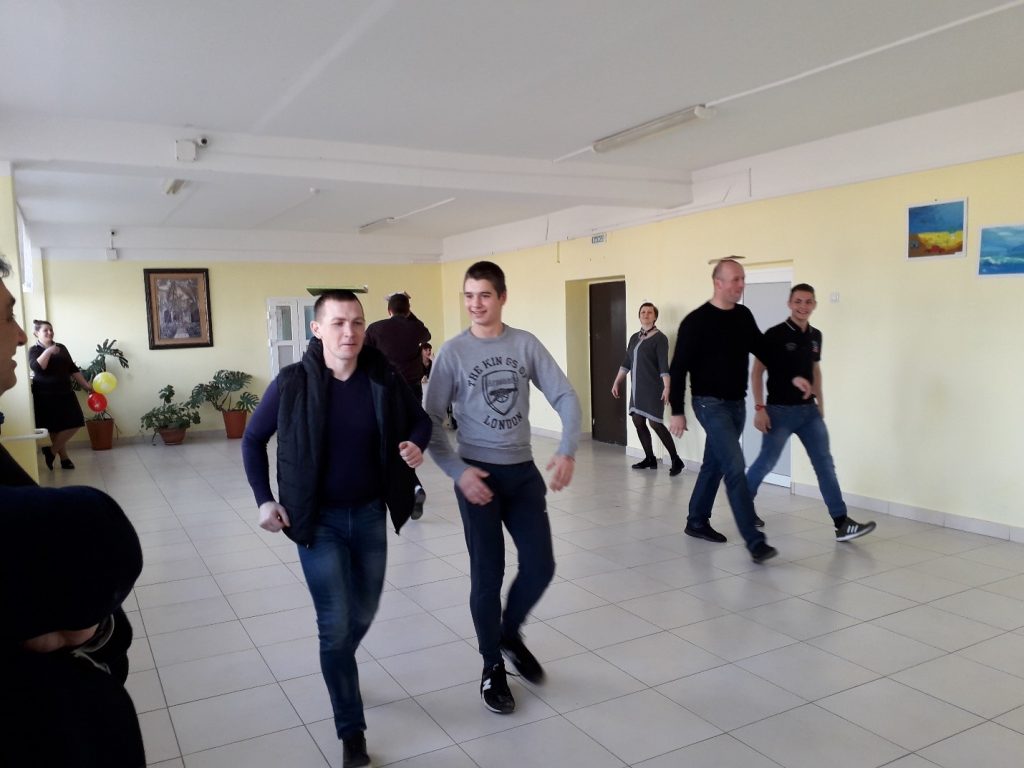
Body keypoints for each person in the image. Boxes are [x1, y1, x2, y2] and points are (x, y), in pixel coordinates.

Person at [242, 289, 430, 768]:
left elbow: (421, 421)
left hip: (369, 514)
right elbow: (252, 439)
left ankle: (340, 662)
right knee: (334, 624)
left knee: (362, 611)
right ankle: (352, 731)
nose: (350, 332)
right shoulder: (292, 383)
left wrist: (415, 444)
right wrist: (264, 499)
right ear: (317, 329)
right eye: (339, 323)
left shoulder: (382, 376)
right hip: (316, 520)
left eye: (357, 322)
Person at [1, 254, 146, 767]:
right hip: (46, 726)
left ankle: (58, 454)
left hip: (62, 396)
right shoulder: (40, 352)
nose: (23, 334)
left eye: (32, 325)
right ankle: (57, 455)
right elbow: (91, 530)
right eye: (8, 317)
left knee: (70, 429)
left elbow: (78, 372)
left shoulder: (59, 350)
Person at [424, 260, 581, 715]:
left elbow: (565, 395)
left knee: (541, 565)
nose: (475, 304)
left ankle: (508, 633)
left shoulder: (524, 344)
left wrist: (567, 449)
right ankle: (492, 663)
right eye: (469, 295)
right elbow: (429, 419)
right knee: (487, 574)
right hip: (477, 476)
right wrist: (458, 471)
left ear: (502, 297)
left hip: (522, 472)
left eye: (484, 295)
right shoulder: (453, 353)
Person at [746, 283, 876, 541]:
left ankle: (841, 523)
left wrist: (821, 403)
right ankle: (743, 508)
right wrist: (760, 408)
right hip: (779, 412)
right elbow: (757, 371)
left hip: (809, 413)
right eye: (798, 301)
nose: (803, 306)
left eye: (808, 302)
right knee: (766, 463)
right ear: (789, 304)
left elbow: (815, 370)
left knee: (825, 465)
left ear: (814, 305)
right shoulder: (774, 334)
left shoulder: (816, 336)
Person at [668, 258, 777, 563]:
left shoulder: (743, 316)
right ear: (718, 283)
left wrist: (792, 372)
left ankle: (696, 520)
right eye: (735, 279)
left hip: (736, 404)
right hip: (709, 403)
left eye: (742, 279)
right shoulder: (696, 322)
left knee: (714, 464)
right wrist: (677, 410)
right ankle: (755, 542)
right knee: (734, 464)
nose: (741, 284)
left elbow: (763, 349)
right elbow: (678, 369)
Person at [366, 291, 431, 519]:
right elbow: (426, 332)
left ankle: (412, 487)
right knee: (405, 438)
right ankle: (411, 487)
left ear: (389, 310)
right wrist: (408, 310)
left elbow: (365, 355)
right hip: (412, 390)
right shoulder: (416, 328)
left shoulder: (376, 328)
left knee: (390, 441)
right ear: (408, 310)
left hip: (387, 391)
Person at [611, 302, 684, 476]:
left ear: (655, 317)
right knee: (637, 420)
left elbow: (663, 365)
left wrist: (667, 387)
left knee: (655, 423)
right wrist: (617, 381)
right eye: (643, 312)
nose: (646, 314)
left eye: (649, 312)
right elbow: (627, 362)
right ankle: (650, 458)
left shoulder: (660, 338)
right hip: (637, 388)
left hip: (653, 387)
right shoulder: (634, 338)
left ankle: (676, 460)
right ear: (639, 316)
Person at [29, 319, 94, 470]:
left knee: (76, 421)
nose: (50, 332)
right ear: (36, 333)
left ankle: (50, 451)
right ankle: (64, 459)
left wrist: (86, 385)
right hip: (45, 394)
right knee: (54, 428)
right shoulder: (34, 350)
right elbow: (38, 368)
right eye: (45, 330)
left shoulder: (61, 347)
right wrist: (48, 351)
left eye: (51, 329)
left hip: (65, 391)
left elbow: (72, 368)